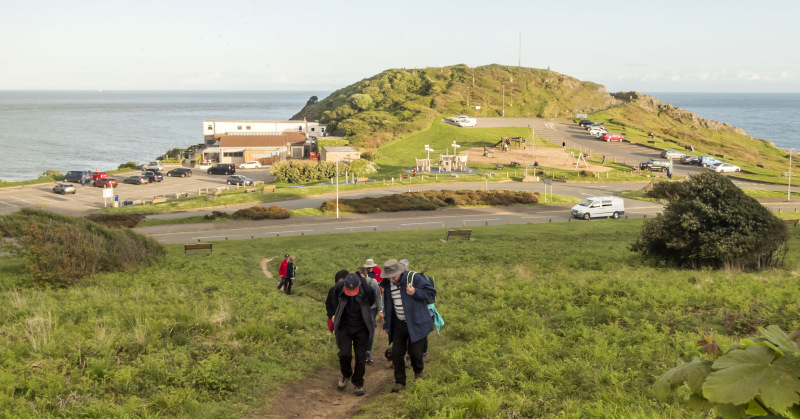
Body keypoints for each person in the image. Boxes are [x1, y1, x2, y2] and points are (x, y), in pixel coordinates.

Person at [380, 259, 436, 392]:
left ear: (400, 272)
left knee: (415, 353)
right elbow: (388, 304)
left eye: (393, 277)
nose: (391, 280)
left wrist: (415, 292)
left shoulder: (414, 278)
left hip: (416, 322)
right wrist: (387, 324)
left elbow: (431, 293)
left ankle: (418, 374)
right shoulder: (388, 284)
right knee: (397, 353)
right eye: (388, 277)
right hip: (398, 324)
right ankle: (400, 382)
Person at [332, 273, 377, 396]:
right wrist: (335, 315)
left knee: (360, 357)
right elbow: (333, 300)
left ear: (359, 285)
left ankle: (358, 383)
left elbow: (372, 300)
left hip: (361, 328)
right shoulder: (339, 287)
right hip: (345, 328)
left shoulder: (367, 290)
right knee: (344, 354)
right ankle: (346, 375)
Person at [357, 266, 383, 364]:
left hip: (372, 309)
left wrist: (380, 310)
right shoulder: (357, 283)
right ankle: (361, 351)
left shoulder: (373, 282)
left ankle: (367, 352)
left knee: (370, 329)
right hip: (361, 309)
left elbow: (378, 296)